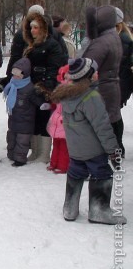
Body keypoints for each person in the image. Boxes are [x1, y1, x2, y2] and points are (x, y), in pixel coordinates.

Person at [51, 57, 126, 225]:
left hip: (76, 149)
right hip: (93, 150)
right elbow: (103, 127)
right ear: (89, 76)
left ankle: (69, 208)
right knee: (102, 174)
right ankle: (99, 210)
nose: (98, 73)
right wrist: (113, 150)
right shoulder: (90, 97)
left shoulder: (67, 94)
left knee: (76, 173)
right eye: (95, 71)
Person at [23, 10, 67, 164]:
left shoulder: (52, 44)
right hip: (32, 86)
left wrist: (47, 87)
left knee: (44, 119)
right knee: (34, 119)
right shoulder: (32, 45)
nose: (32, 30)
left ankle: (44, 153)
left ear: (42, 28)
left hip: (45, 86)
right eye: (31, 28)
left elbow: (54, 67)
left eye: (35, 27)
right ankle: (35, 151)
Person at [82, 5, 124, 158]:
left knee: (101, 126)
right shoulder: (113, 37)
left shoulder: (102, 42)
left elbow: (87, 65)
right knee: (111, 122)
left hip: (101, 89)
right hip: (110, 87)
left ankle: (101, 161)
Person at [3, 58, 45, 167]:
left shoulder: (29, 88)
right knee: (11, 138)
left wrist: (42, 104)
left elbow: (36, 99)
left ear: (25, 74)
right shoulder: (12, 84)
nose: (15, 76)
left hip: (26, 120)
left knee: (22, 141)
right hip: (13, 119)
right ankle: (11, 155)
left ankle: (20, 159)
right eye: (14, 73)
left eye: (18, 74)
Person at [45, 65, 70, 174]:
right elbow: (56, 104)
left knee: (64, 146)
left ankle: (63, 165)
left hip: (65, 121)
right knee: (56, 144)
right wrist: (51, 106)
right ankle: (53, 162)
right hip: (57, 120)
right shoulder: (60, 89)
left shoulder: (72, 91)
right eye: (65, 76)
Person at [115, 7, 133, 108]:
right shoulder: (124, 37)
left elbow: (119, 64)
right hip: (121, 84)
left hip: (120, 84)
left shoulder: (122, 39)